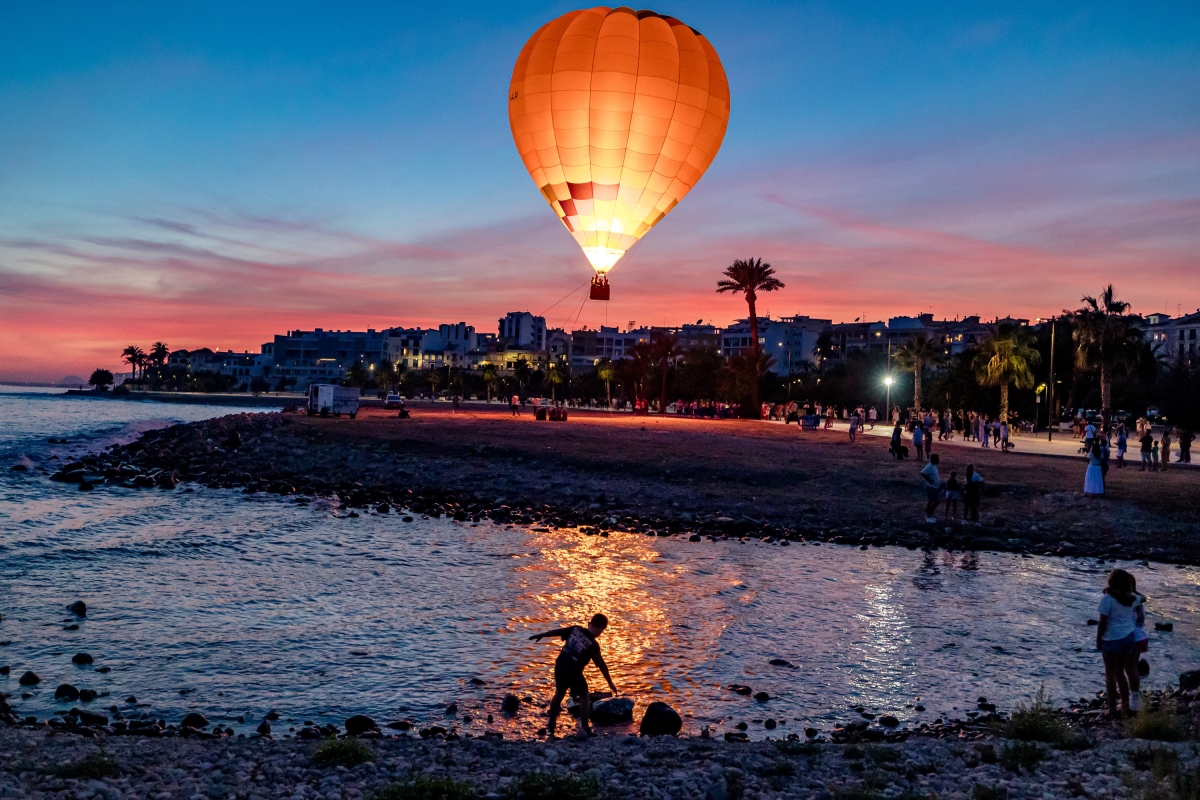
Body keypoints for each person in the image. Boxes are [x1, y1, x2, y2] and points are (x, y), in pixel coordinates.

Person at [529, 614, 618, 739]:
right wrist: (610, 683)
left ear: (589, 623)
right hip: (573, 671)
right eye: (601, 630)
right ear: (599, 629)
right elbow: (601, 665)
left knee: (559, 694)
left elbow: (558, 631)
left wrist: (542, 635)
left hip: (559, 665)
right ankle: (585, 728)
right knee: (585, 696)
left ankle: (551, 728)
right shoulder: (593, 644)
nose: (600, 633)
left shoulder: (575, 629)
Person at [1096, 569, 1144, 716]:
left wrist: (1099, 639)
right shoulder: (1132, 598)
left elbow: (1102, 622)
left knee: (1110, 674)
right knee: (1120, 672)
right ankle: (1125, 705)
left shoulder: (1107, 599)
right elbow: (1144, 598)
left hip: (1113, 639)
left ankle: (1111, 709)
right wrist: (1132, 590)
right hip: (1128, 638)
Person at [920, 454, 941, 523]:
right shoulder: (929, 466)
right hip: (931, 487)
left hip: (935, 487)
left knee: (937, 501)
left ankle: (929, 514)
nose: (938, 460)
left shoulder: (934, 466)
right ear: (934, 459)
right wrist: (929, 480)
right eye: (937, 459)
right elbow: (922, 473)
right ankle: (928, 516)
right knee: (930, 501)